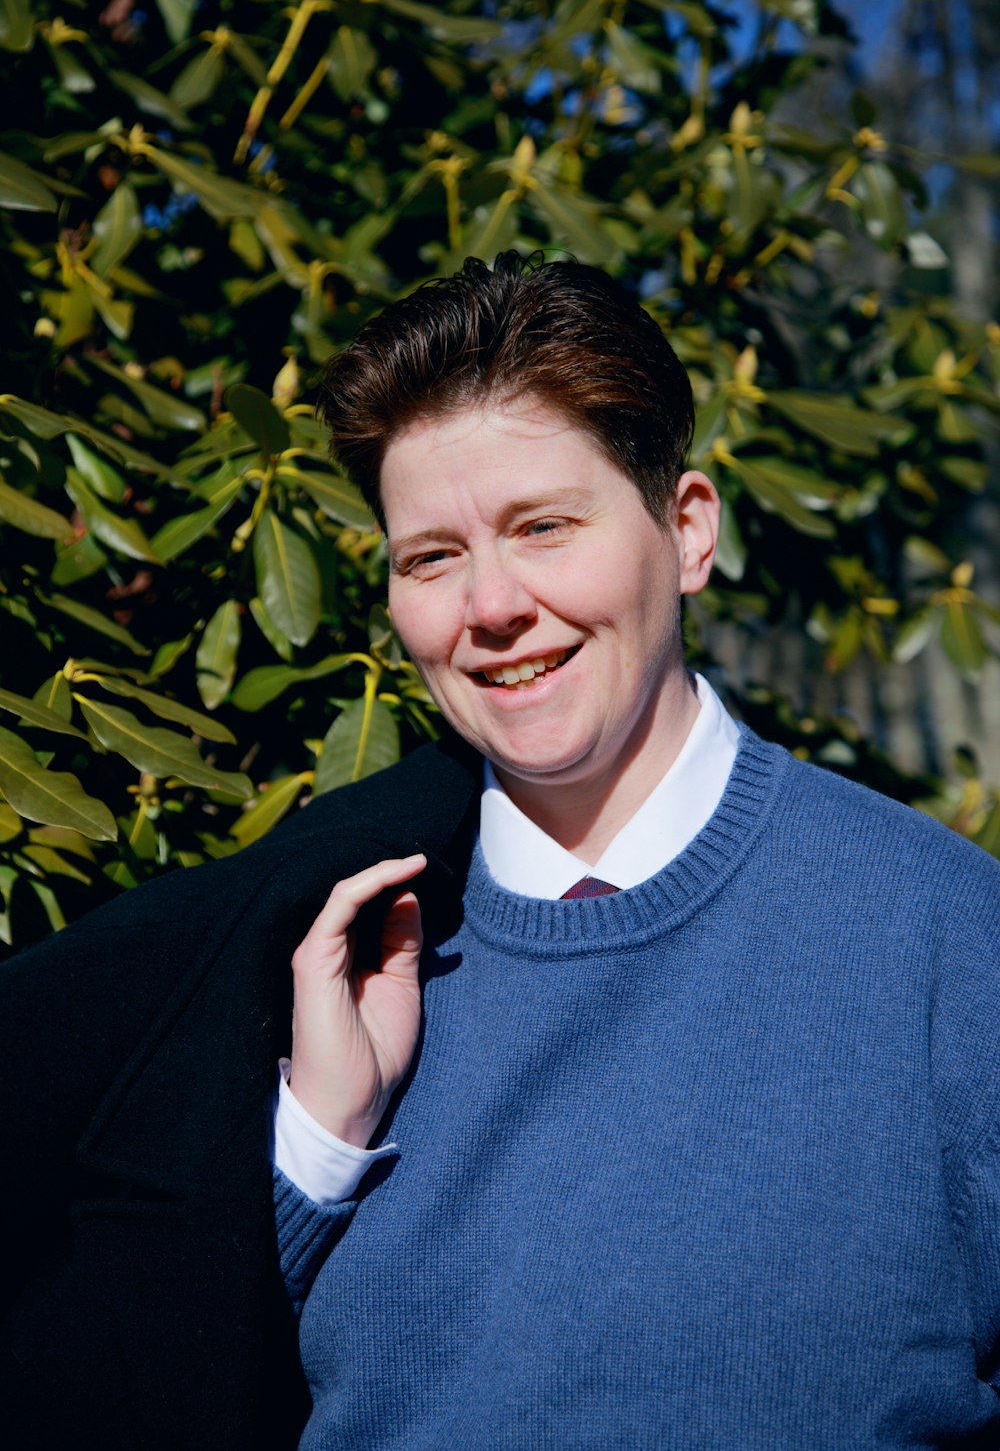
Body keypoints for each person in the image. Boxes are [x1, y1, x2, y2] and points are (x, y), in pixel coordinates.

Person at [3, 253, 999, 1451]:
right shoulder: (305, 956)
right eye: (431, 557)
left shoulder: (944, 937)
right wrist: (313, 1147)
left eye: (542, 527)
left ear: (686, 533)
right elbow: (130, 1387)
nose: (489, 606)